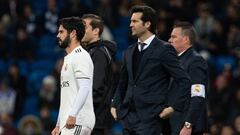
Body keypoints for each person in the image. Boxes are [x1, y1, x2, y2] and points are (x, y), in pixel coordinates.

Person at [110, 5, 191, 135]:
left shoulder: (164, 49)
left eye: (135, 21)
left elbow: (184, 80)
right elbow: (123, 82)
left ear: (147, 24)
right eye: (131, 21)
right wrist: (115, 104)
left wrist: (173, 107)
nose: (130, 24)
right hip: (128, 117)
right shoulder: (129, 51)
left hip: (152, 117)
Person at [51, 17, 95, 135]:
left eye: (61, 32)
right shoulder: (69, 58)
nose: (57, 35)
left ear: (73, 33)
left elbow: (84, 88)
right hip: (69, 122)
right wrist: (58, 125)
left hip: (78, 120)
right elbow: (67, 97)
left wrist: (73, 114)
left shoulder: (81, 56)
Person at [167, 21, 208, 135]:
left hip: (187, 127)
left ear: (185, 39)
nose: (169, 40)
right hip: (174, 124)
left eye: (173, 37)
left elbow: (198, 96)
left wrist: (188, 125)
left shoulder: (195, 61)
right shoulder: (176, 61)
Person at [81, 14, 117, 135]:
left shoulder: (99, 53)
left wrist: (80, 108)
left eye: (84, 27)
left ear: (96, 31)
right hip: (91, 117)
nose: (81, 31)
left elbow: (96, 87)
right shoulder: (91, 51)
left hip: (96, 118)